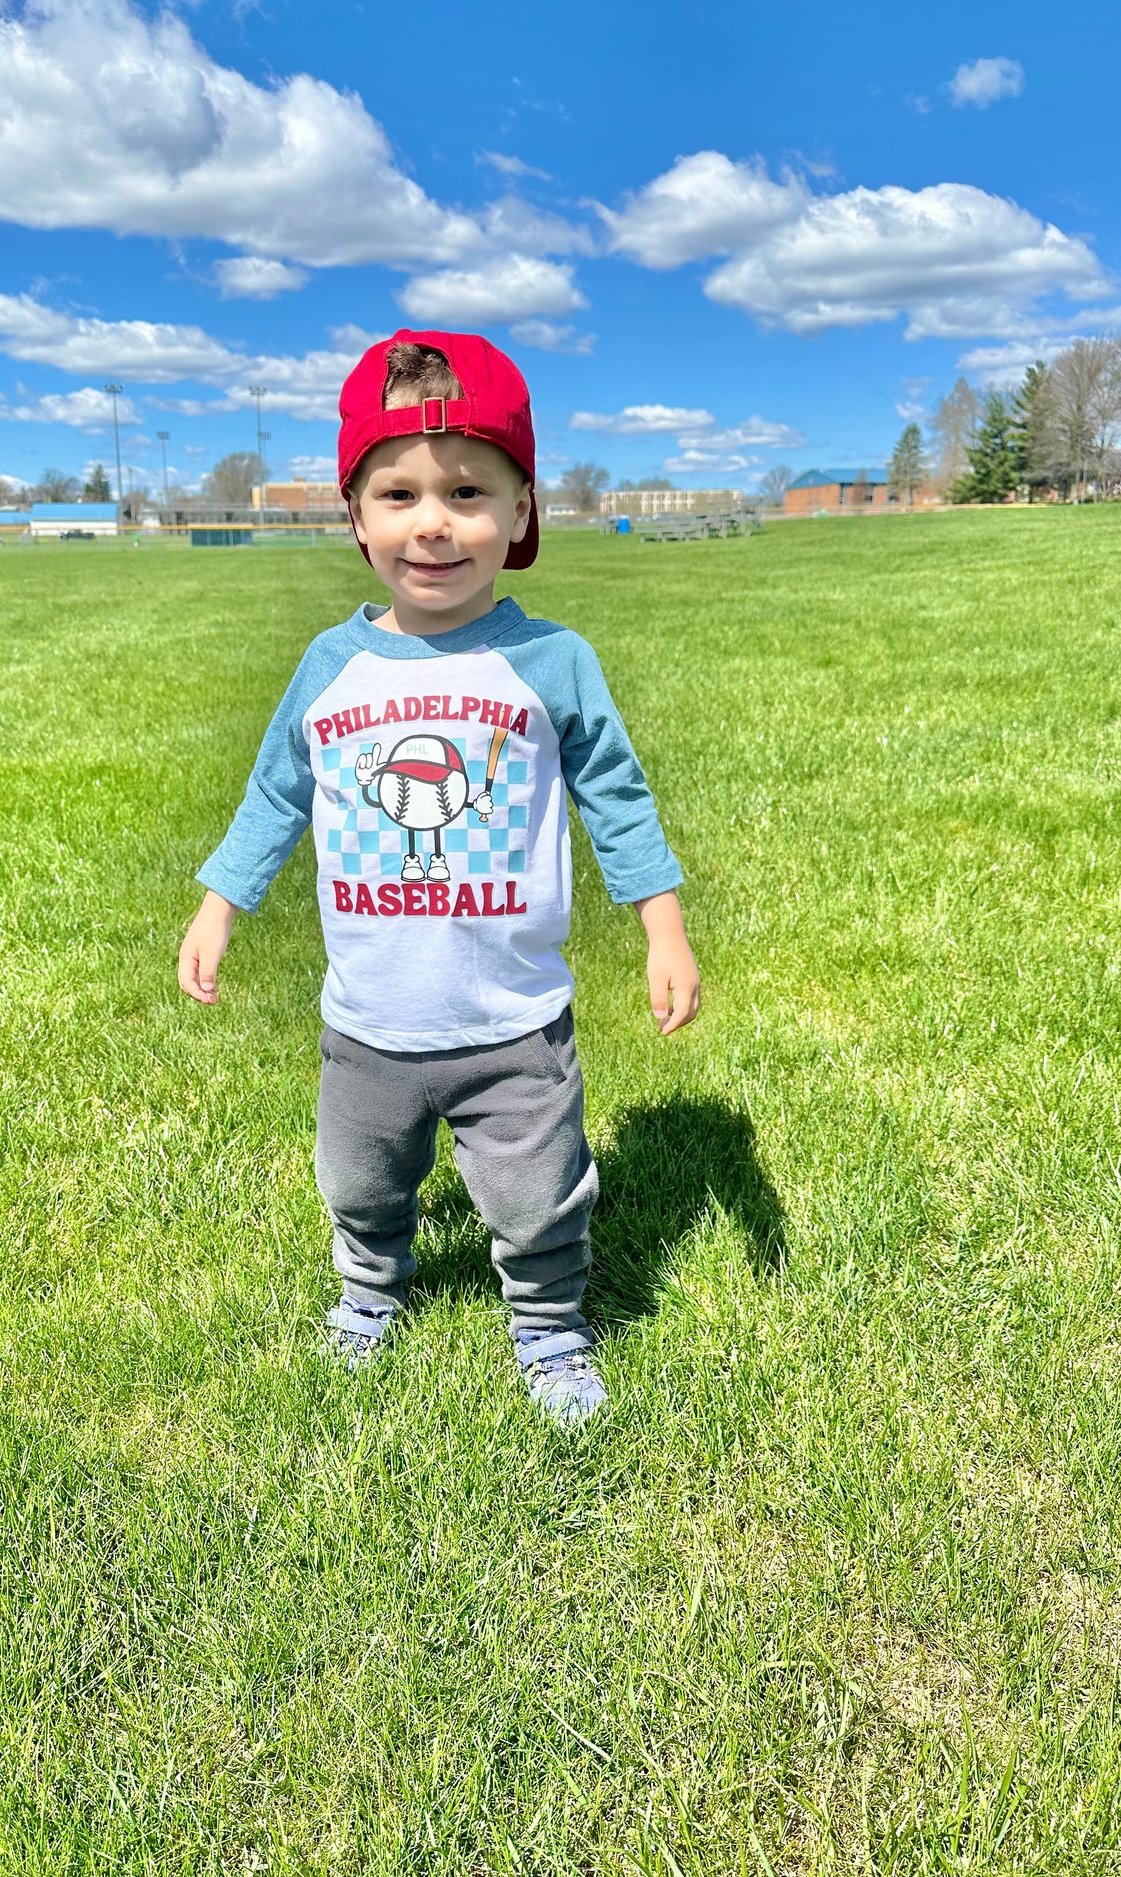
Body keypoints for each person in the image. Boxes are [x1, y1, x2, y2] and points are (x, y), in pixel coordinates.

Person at [178, 330, 700, 1423]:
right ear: (354, 515)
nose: (432, 522)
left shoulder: (549, 662)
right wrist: (221, 904)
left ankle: (550, 1327)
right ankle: (370, 1292)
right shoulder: (332, 667)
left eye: (467, 490)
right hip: (367, 1022)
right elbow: (279, 790)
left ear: (518, 511)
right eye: (399, 492)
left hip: (513, 1020)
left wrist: (662, 925)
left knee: (534, 1195)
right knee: (360, 1183)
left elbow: (615, 793)